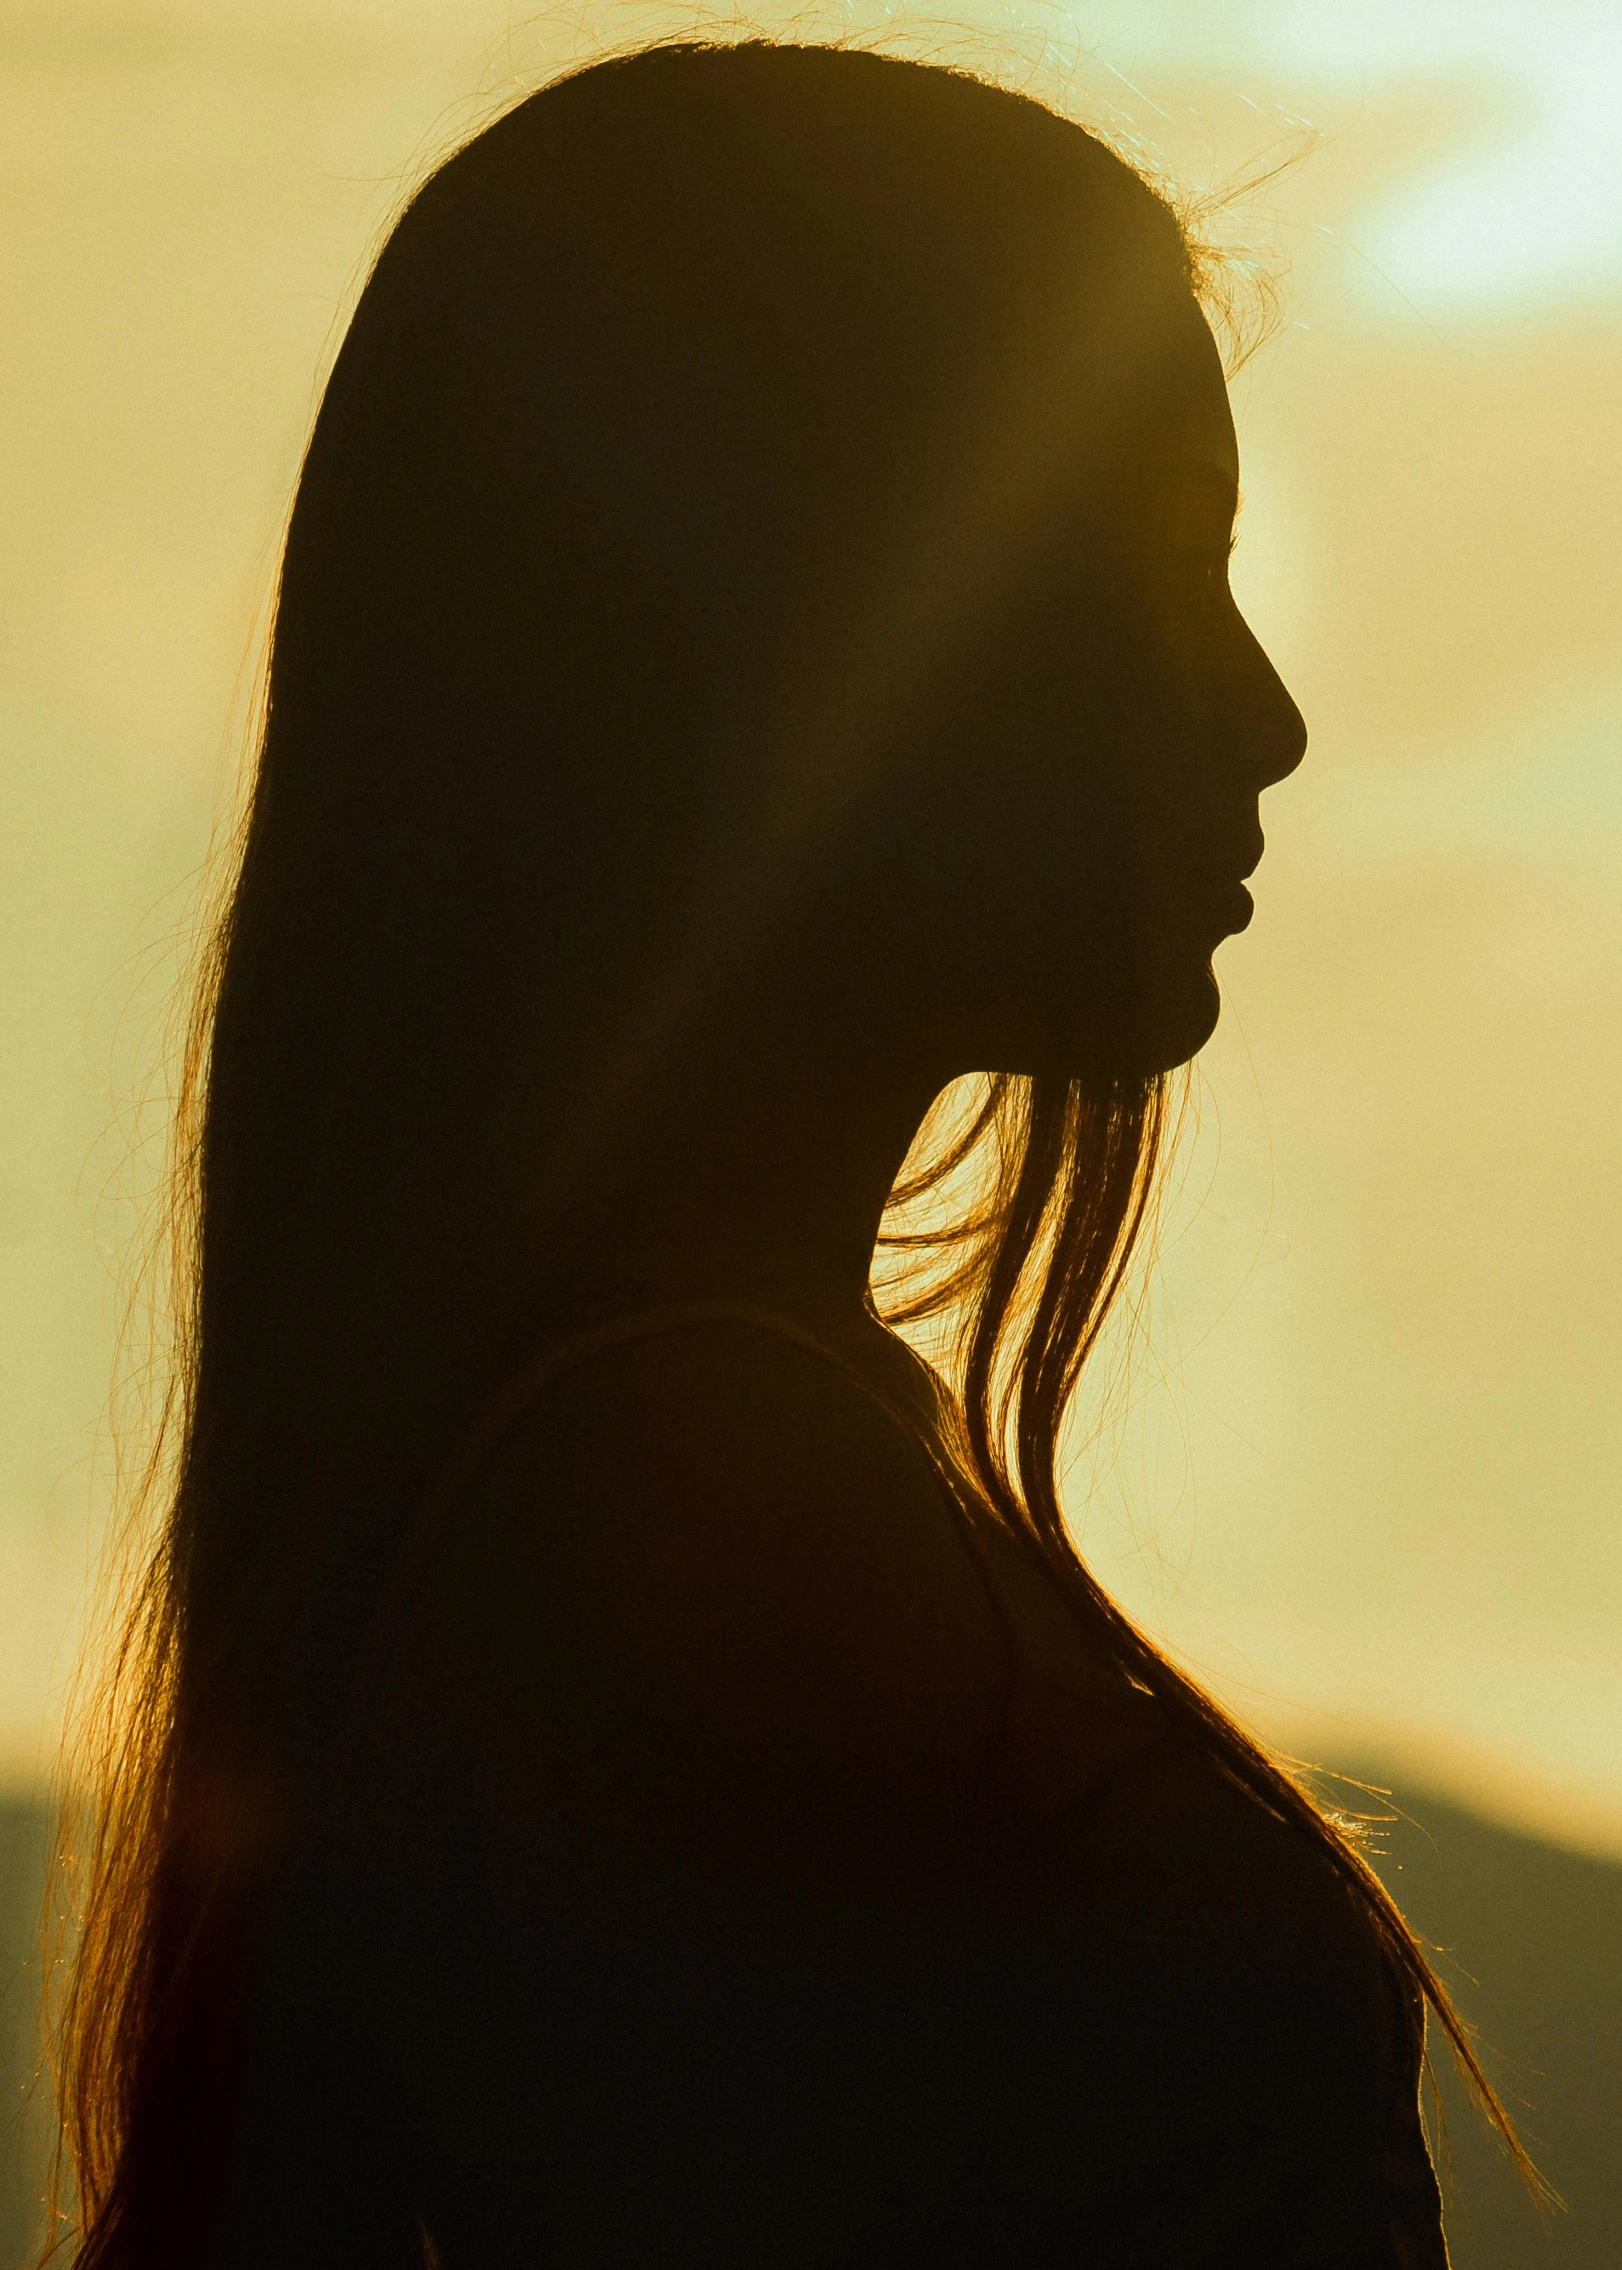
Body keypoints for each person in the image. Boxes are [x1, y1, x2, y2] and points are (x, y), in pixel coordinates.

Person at [56, 39, 1531, 2268]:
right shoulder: (711, 1522)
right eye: (1155, 565)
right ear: (803, 630)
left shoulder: (717, 1464)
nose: (1264, 707)